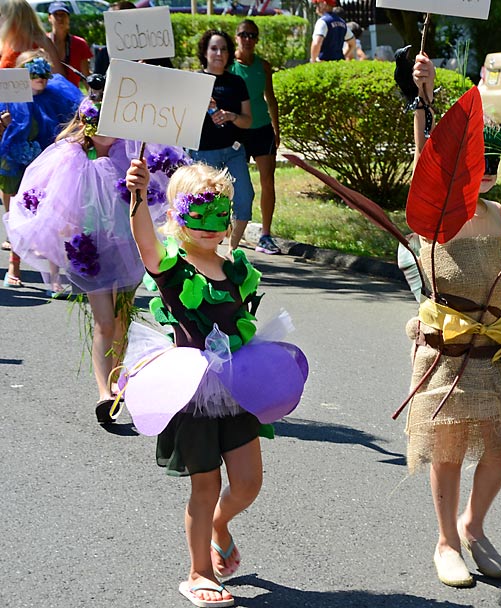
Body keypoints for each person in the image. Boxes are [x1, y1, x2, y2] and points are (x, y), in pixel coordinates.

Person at [124, 157, 307, 608]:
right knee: (203, 484)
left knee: (248, 482)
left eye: (218, 215)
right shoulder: (173, 269)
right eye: (197, 214)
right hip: (192, 389)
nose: (209, 227)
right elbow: (146, 245)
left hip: (237, 385)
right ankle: (199, 572)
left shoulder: (234, 269)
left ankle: (219, 527)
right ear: (177, 216)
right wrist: (136, 195)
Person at [404, 54, 501, 588]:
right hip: (444, 347)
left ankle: (472, 526)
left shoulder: (499, 214)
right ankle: (444, 542)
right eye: (476, 161)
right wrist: (426, 96)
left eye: (493, 163)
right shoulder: (440, 206)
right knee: (447, 447)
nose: (484, 171)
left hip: (491, 349)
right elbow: (428, 160)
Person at [4, 94, 177, 419]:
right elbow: (55, 200)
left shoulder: (132, 152)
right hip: (92, 250)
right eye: (100, 125)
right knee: (103, 322)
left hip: (128, 246)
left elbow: (157, 190)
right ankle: (104, 392)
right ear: (87, 124)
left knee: (122, 320)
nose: (108, 133)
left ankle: (117, 379)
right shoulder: (71, 156)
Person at [0, 50, 82, 288]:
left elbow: (69, 126)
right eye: (34, 71)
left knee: (52, 220)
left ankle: (55, 278)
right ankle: (14, 267)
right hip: (17, 166)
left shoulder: (57, 97)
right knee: (17, 218)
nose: (41, 77)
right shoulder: (10, 101)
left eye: (44, 72)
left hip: (47, 168)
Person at [190, 29, 253, 251]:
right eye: (214, 48)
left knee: (244, 198)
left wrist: (231, 116)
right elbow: (181, 120)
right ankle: (206, 253)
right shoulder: (195, 80)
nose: (219, 53)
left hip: (234, 151)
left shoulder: (237, 82)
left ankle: (231, 252)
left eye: (224, 48)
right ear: (205, 52)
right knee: (206, 205)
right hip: (203, 153)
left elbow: (247, 120)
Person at [231, 19, 281, 255]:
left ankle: (266, 235)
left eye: (252, 35)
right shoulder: (229, 66)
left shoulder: (264, 66)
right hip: (238, 130)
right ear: (236, 37)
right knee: (234, 183)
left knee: (267, 181)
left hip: (262, 130)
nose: (248, 39)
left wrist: (276, 129)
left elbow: (270, 99)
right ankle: (229, 228)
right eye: (244, 35)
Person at [46, 1, 92, 87]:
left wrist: (93, 96)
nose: (60, 18)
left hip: (72, 96)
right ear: (49, 18)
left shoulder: (80, 44)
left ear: (68, 18)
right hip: (48, 95)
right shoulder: (42, 42)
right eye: (56, 14)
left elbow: (86, 75)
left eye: (63, 14)